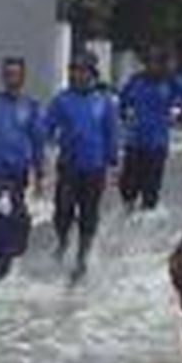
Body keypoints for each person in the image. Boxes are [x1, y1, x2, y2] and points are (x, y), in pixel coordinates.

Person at [45, 52, 120, 281]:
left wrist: (114, 164)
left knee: (89, 214)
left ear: (92, 74)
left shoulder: (104, 101)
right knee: (62, 211)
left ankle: (81, 258)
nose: (77, 75)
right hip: (68, 166)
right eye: (73, 70)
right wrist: (44, 155)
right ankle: (63, 242)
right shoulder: (61, 100)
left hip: (94, 168)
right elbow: (47, 128)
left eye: (82, 70)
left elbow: (112, 133)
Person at [0, 57, 45, 279]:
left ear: (23, 77)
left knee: (13, 216)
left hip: (17, 173)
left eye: (15, 74)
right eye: (7, 74)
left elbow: (37, 141)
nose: (10, 78)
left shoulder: (31, 107)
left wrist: (40, 173)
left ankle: (6, 264)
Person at [119, 47, 181, 211]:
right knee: (128, 184)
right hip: (135, 141)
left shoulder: (170, 82)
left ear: (163, 65)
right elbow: (122, 101)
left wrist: (178, 112)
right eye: (149, 62)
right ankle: (128, 211)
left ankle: (147, 215)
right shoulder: (135, 81)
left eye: (157, 63)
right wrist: (125, 113)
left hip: (157, 143)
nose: (152, 66)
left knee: (151, 186)